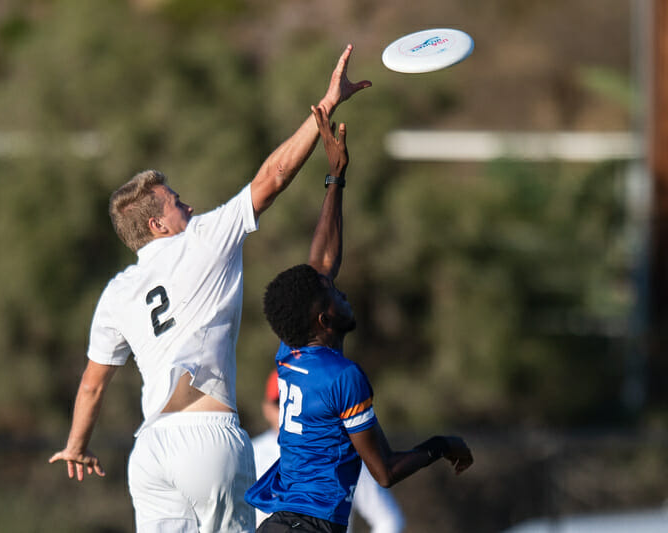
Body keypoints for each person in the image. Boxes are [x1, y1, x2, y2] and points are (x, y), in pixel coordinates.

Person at [48, 45, 372, 533]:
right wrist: (324, 108)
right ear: (158, 223)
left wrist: (76, 444)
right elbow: (275, 175)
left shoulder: (118, 291)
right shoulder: (202, 239)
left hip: (151, 451)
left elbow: (93, 384)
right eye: (177, 202)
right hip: (207, 440)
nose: (190, 205)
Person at [245, 105, 474, 533]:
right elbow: (384, 471)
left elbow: (321, 264)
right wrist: (442, 445)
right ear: (322, 317)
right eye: (332, 293)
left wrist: (335, 178)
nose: (341, 289)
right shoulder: (343, 376)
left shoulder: (291, 351)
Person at [251, 369, 405, 533]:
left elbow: (388, 519)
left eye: (298, 402)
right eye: (281, 403)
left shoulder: (341, 451)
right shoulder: (251, 452)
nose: (290, 410)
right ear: (266, 409)